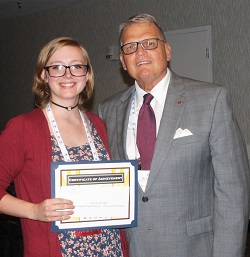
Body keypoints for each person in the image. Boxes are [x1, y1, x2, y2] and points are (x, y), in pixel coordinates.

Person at [98, 13, 250, 257]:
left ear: (167, 51)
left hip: (193, 248)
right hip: (131, 247)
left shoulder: (212, 100)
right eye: (130, 47)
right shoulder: (109, 110)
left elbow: (233, 192)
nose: (140, 52)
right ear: (123, 62)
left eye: (150, 43)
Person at [0, 37, 129, 257]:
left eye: (76, 66)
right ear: (44, 75)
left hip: (110, 247)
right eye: (58, 67)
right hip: (57, 249)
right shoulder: (23, 127)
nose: (68, 74)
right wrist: (35, 210)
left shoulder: (97, 124)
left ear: (87, 75)